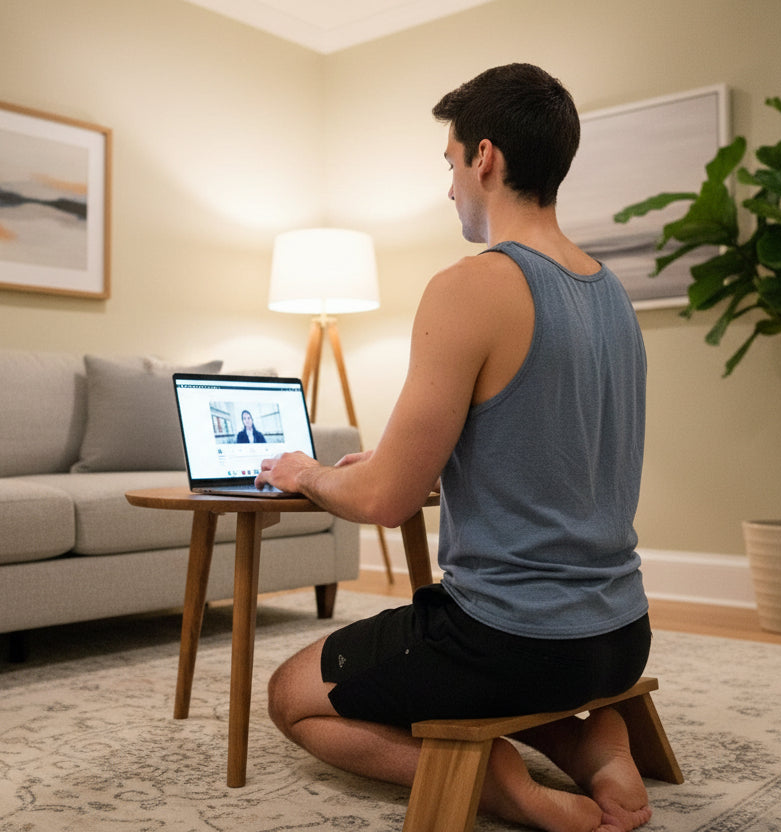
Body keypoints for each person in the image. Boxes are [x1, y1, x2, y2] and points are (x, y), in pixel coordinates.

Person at [256, 63, 653, 832]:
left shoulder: (471, 286)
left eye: (449, 163)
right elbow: (536, 448)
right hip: (619, 636)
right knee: (455, 661)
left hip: (511, 642)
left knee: (290, 696)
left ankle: (500, 778)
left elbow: (384, 502)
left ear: (485, 158)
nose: (448, 189)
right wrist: (387, 461)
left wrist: (303, 472)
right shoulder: (609, 291)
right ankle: (586, 745)